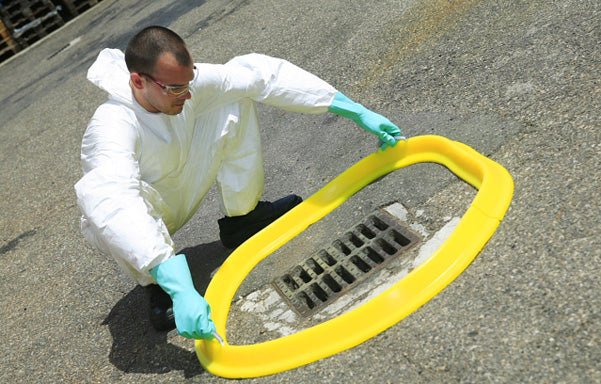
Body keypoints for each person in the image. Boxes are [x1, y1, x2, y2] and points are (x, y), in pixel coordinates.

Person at [74, 26, 404, 341]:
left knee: (234, 97)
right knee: (124, 198)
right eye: (176, 88)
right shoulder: (111, 127)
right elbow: (114, 204)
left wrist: (353, 110)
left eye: (189, 82)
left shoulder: (180, 86)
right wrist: (178, 287)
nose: (187, 94)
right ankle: (158, 284)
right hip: (147, 212)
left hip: (179, 174)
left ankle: (243, 218)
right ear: (137, 80)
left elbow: (259, 75)